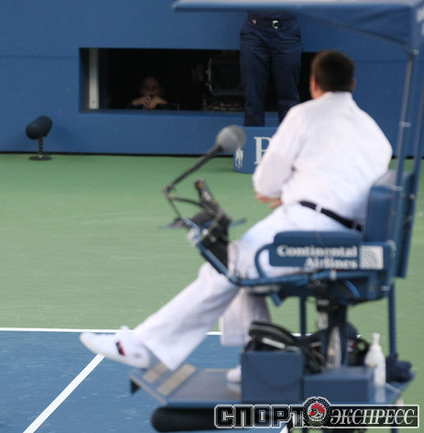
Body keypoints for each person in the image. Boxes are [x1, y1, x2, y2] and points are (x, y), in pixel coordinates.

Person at [80, 51, 392, 379]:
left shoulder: (304, 115)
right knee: (235, 263)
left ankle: (145, 346)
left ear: (314, 83)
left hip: (307, 235)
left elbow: (266, 183)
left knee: (226, 265)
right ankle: (256, 359)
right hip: (352, 241)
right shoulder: (374, 131)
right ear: (352, 84)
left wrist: (287, 192)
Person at [240, 11, 302, 126]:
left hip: (286, 29)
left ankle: (289, 136)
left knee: (289, 98)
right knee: (252, 98)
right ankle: (253, 136)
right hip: (254, 29)